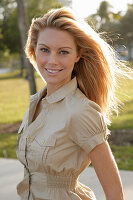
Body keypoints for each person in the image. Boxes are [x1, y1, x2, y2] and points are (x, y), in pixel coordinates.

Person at [16, 7, 128, 200]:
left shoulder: (81, 111)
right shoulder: (36, 103)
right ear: (34, 51)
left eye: (63, 52)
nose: (52, 61)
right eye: (44, 49)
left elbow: (115, 193)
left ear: (78, 55)